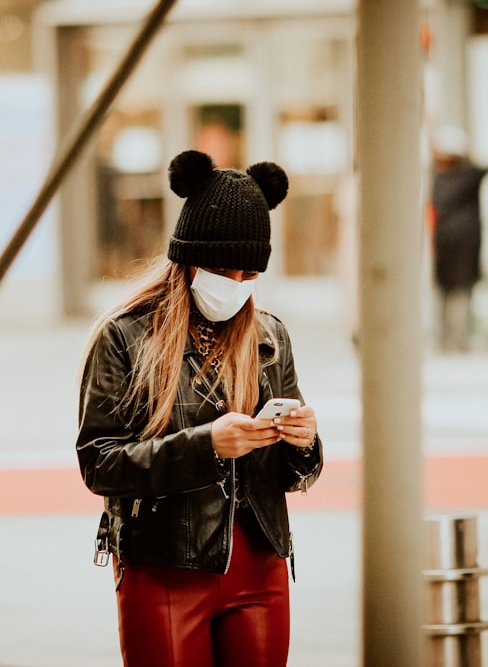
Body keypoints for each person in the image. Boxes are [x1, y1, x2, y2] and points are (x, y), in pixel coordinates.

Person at [76, 149, 323, 666]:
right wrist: (206, 446)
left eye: (249, 273)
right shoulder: (125, 336)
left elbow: (294, 470)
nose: (235, 284)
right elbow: (99, 461)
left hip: (260, 566)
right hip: (165, 565)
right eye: (220, 268)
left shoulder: (269, 335)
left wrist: (303, 442)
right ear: (187, 258)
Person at [429, 125, 488, 352]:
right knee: (460, 293)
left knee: (448, 293)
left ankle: (448, 340)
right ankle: (457, 340)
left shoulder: (440, 179)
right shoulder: (467, 176)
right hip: (462, 244)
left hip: (446, 245)